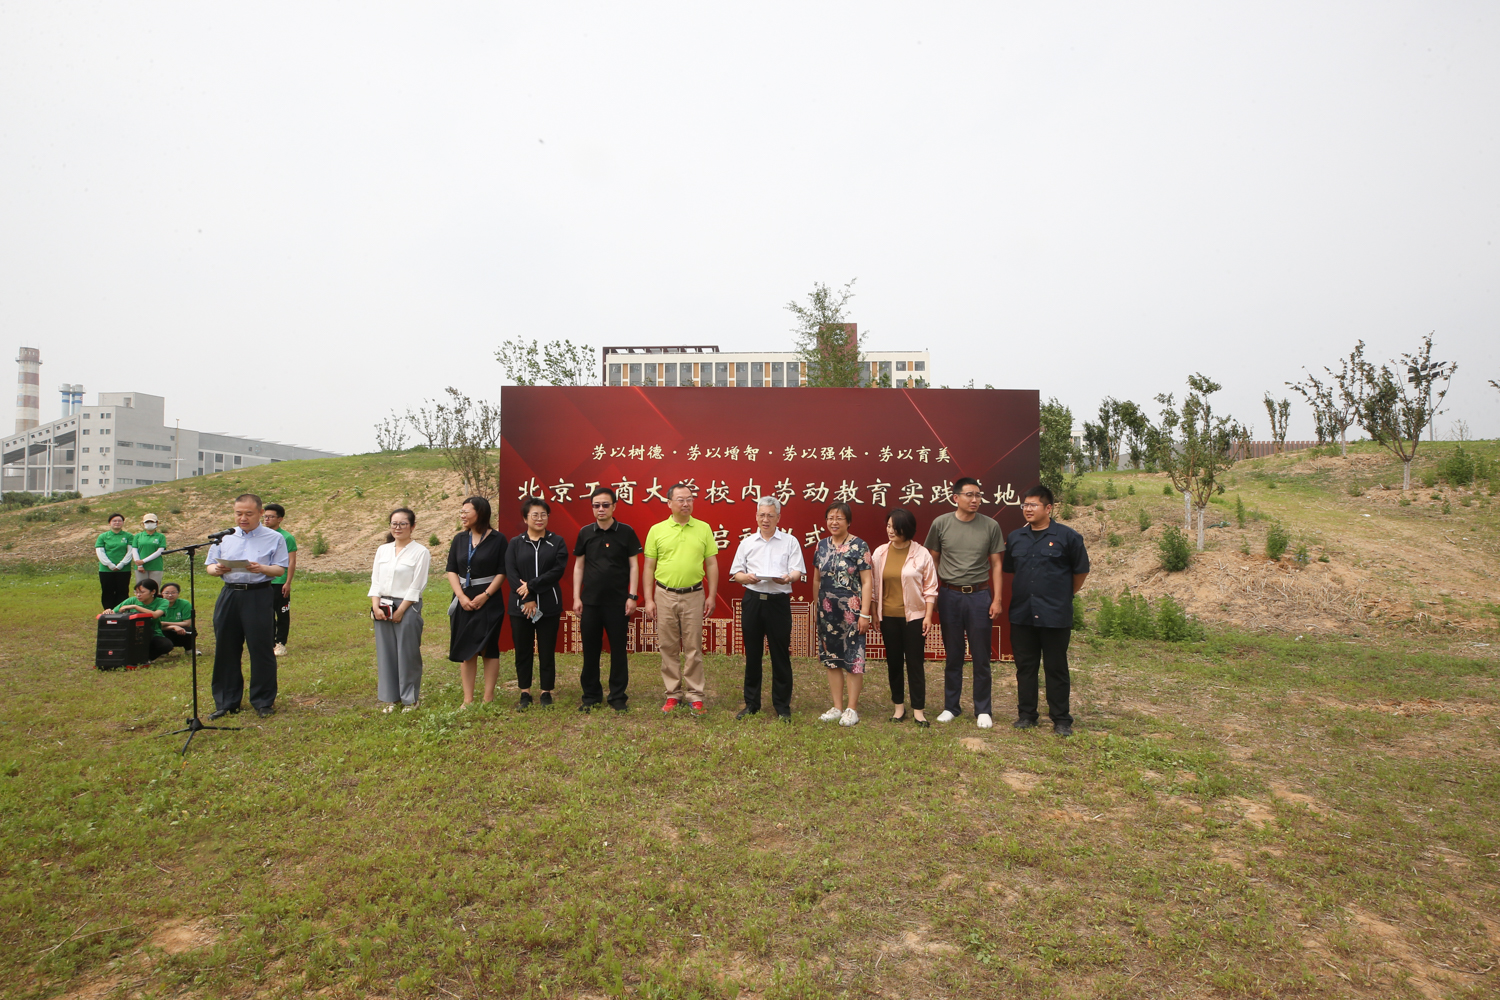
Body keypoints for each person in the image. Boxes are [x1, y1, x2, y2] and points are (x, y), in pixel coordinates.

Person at [1003, 484, 1090, 737]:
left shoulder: (1068, 537)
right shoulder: (1016, 537)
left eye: (1033, 505)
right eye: (1025, 505)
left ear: (1048, 508)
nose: (1027, 509)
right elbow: (1011, 569)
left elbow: (1081, 571)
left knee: (1056, 668)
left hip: (1054, 614)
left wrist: (1064, 595)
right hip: (1022, 614)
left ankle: (1061, 719)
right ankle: (1026, 715)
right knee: (1025, 667)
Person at [923, 476, 1005, 728]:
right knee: (953, 654)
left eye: (978, 495)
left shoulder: (990, 525)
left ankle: (983, 709)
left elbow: (997, 564)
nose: (975, 500)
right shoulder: (941, 524)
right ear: (955, 498)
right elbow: (932, 560)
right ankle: (951, 707)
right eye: (970, 495)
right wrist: (933, 594)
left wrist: (997, 599)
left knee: (981, 655)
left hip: (980, 596)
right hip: (950, 595)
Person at [205, 494, 289, 719]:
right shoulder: (224, 537)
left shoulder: (274, 538)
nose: (243, 518)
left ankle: (263, 701)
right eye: (238, 513)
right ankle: (227, 701)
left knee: (261, 648)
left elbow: (279, 569)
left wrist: (261, 568)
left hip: (258, 594)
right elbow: (210, 566)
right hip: (230, 594)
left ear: (260, 513)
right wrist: (217, 570)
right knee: (226, 648)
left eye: (248, 514)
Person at [642, 483, 718, 716]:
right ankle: (672, 694)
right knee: (668, 646)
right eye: (681, 499)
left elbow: (712, 563)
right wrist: (649, 599)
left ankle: (695, 695)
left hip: (694, 594)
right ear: (669, 503)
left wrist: (711, 595)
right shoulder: (657, 530)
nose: (686, 504)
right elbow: (649, 567)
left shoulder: (703, 528)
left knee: (693, 647)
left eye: (690, 499)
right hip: (664, 594)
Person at [728, 496, 805, 721]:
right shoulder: (747, 542)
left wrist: (788, 578)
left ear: (778, 517)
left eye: (770, 515)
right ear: (756, 516)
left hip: (778, 602)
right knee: (753, 654)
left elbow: (797, 572)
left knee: (780, 655)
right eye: (762, 515)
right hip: (753, 600)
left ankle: (782, 706)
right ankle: (752, 703)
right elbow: (736, 573)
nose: (765, 519)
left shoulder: (790, 541)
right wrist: (746, 578)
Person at [571, 487, 641, 713]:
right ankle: (591, 696)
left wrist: (632, 595)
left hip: (618, 603)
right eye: (596, 505)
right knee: (590, 651)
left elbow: (634, 565)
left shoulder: (626, 532)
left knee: (618, 651)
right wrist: (576, 597)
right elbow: (579, 566)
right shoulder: (585, 532)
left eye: (605, 505)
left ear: (614, 506)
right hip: (590, 602)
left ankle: (618, 696)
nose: (600, 509)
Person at [871, 508, 939, 727]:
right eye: (888, 526)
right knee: (894, 662)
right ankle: (898, 707)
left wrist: (928, 616)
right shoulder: (880, 553)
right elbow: (873, 587)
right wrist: (874, 613)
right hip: (888, 617)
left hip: (915, 618)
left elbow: (930, 588)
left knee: (915, 663)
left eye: (895, 527)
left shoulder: (921, 553)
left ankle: (919, 710)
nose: (890, 531)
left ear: (906, 529)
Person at [812, 502, 873, 727]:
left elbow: (867, 582)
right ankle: (837, 706)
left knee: (853, 659)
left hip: (852, 612)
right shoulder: (821, 546)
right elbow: (816, 579)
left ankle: (851, 709)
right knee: (832, 660)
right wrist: (816, 606)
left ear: (848, 522)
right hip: (827, 612)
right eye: (830, 518)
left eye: (839, 518)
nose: (834, 522)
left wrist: (864, 614)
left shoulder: (859, 546)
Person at [505, 497, 568, 709]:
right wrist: (528, 598)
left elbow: (557, 571)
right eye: (534, 515)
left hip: (548, 605)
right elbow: (511, 573)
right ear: (525, 518)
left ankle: (546, 692)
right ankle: (525, 692)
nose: (539, 519)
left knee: (547, 650)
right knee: (523, 650)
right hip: (520, 607)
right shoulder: (515, 543)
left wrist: (531, 586)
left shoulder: (556, 542)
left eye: (543, 515)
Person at [445, 496, 508, 708]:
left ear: (480, 513)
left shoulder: (498, 539)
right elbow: (451, 569)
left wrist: (486, 595)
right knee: (467, 650)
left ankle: (488, 697)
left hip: (489, 600)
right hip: (463, 600)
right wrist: (461, 596)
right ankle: (468, 699)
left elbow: (502, 571)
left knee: (489, 649)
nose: (462, 515)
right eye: (461, 511)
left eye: (466, 511)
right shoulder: (459, 539)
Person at [369, 507, 431, 713]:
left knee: (407, 653)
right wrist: (375, 605)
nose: (398, 527)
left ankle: (410, 699)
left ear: (412, 526)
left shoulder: (420, 552)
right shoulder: (382, 550)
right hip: (383, 606)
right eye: (394, 523)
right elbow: (376, 581)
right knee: (386, 654)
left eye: (403, 523)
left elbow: (417, 585)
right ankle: (391, 699)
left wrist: (401, 610)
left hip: (408, 606)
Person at [262, 504, 298, 656]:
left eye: (271, 517)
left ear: (280, 519)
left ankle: (280, 643)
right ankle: (269, 643)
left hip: (279, 582)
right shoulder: (260, 536)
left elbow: (291, 561)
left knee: (282, 614)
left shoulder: (287, 537)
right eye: (265, 516)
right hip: (263, 582)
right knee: (266, 615)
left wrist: (287, 582)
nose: (267, 519)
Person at [113, 578, 175, 662]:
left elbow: (155, 615)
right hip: (131, 633)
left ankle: (146, 658)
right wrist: (108, 611)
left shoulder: (162, 602)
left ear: (153, 592)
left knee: (166, 645)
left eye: (142, 592)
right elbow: (114, 612)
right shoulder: (131, 600)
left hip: (153, 633)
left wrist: (135, 607)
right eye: (136, 592)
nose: (138, 595)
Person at [96, 513, 133, 611]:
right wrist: (109, 564)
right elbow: (100, 552)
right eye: (114, 521)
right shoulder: (103, 536)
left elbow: (130, 552)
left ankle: (121, 611)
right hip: (106, 570)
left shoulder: (128, 536)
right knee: (107, 591)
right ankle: (108, 611)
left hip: (124, 569)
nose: (117, 523)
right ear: (109, 523)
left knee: (122, 591)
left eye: (119, 521)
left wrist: (121, 564)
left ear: (123, 523)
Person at [132, 514, 167, 589]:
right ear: (143, 524)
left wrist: (143, 561)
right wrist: (140, 565)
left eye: (152, 522)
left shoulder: (161, 536)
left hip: (156, 566)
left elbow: (159, 552)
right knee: (141, 589)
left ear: (157, 523)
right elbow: (134, 550)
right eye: (147, 522)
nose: (149, 524)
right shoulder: (138, 536)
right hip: (141, 567)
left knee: (154, 588)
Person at [159, 582, 196, 652]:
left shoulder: (185, 604)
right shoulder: (157, 605)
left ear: (178, 593)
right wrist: (173, 627)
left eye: (173, 592)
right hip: (163, 631)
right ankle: (163, 650)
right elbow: (156, 626)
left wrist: (165, 623)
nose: (170, 595)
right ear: (161, 594)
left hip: (180, 630)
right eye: (166, 593)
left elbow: (187, 623)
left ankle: (189, 649)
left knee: (190, 630)